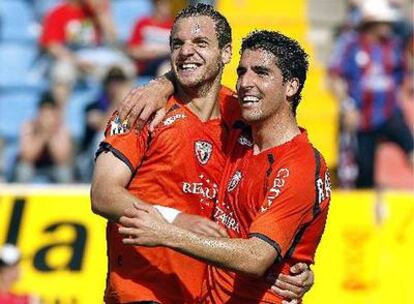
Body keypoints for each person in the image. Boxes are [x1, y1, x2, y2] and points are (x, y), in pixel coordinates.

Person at [91, 4, 313, 304]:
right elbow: (103, 194)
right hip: (142, 291)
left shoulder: (244, 113)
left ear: (225, 54)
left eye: (199, 43)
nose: (185, 51)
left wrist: (290, 264)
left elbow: (283, 174)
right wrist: (176, 220)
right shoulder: (143, 110)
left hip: (207, 293)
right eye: (177, 44)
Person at [328, 0, 414, 188]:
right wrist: (348, 106)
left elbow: (401, 73)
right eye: (383, 22)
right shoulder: (351, 46)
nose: (388, 26)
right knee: (363, 174)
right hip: (361, 118)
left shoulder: (392, 46)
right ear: (371, 23)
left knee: (410, 147)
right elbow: (335, 78)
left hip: (389, 112)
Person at [40, 0, 133, 106]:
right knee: (62, 71)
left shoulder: (97, 12)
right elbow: (51, 45)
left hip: (96, 59)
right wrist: (76, 61)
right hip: (72, 59)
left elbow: (113, 41)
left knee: (124, 70)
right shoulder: (59, 12)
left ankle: (118, 117)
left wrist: (101, 13)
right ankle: (60, 119)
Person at [77, 66, 133, 182]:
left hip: (122, 156)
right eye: (112, 82)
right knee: (102, 137)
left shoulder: (132, 107)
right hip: (91, 161)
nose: (115, 86)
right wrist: (118, 102)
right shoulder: (93, 106)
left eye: (119, 82)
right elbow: (103, 126)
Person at [14, 92, 73, 183]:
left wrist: (50, 135)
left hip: (53, 167)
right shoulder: (28, 126)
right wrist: (42, 136)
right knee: (23, 170)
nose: (46, 119)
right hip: (33, 166)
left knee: (63, 172)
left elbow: (61, 159)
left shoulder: (62, 128)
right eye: (44, 114)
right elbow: (27, 157)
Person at [127, 0, 173, 77]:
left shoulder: (174, 25)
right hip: (144, 65)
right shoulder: (142, 23)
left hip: (164, 63)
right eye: (162, 5)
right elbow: (132, 51)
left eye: (167, 5)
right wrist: (155, 53)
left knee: (166, 69)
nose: (166, 9)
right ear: (155, 6)